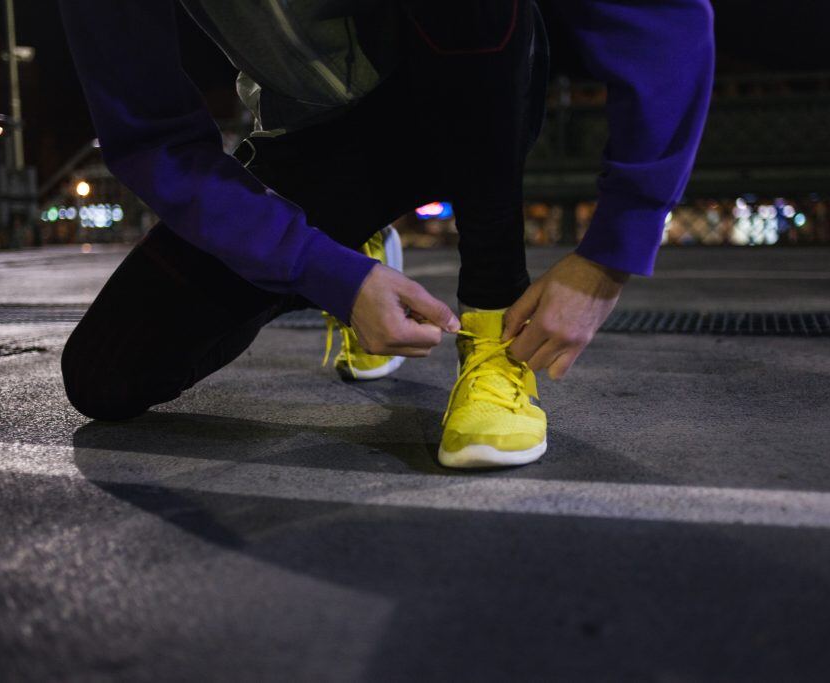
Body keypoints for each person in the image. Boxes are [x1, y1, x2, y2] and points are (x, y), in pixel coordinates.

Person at [59, 0, 715, 468]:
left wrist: (609, 255)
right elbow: (153, 139)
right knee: (106, 372)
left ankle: (493, 335)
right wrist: (327, 270)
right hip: (317, 140)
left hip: (475, 71)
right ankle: (358, 239)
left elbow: (666, 17)